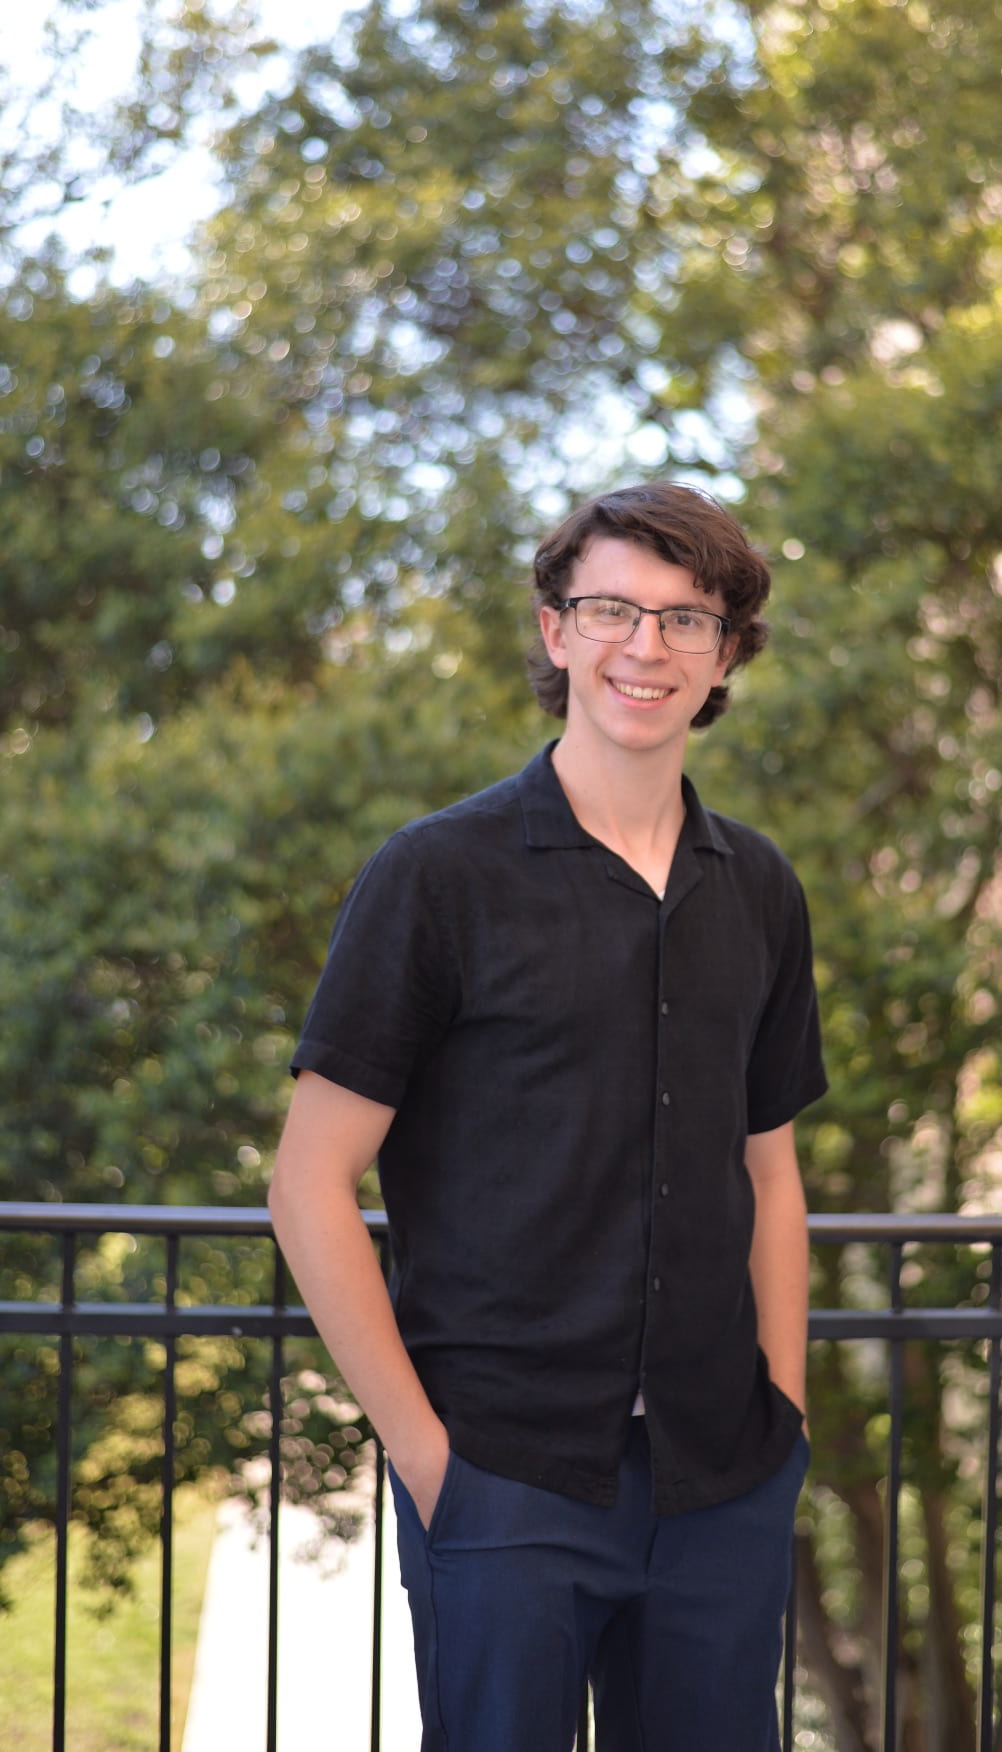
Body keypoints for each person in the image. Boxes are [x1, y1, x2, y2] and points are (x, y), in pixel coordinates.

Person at [269, 481, 827, 1752]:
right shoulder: (436, 877)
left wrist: (782, 1416)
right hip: (500, 1478)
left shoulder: (761, 889)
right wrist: (428, 1462)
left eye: (688, 620)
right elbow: (310, 1183)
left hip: (721, 1479)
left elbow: (772, 1173)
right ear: (557, 629)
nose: (648, 647)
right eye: (613, 609)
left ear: (729, 652)